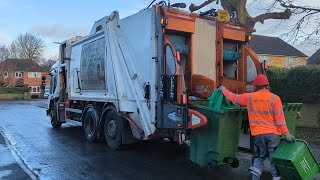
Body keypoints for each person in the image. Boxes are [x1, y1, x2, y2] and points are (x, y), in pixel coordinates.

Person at [218, 74, 295, 180]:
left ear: (255, 86)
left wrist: (223, 90)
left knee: (258, 157)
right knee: (274, 159)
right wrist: (286, 133)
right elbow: (280, 119)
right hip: (274, 136)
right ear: (267, 85)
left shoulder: (250, 97)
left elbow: (234, 98)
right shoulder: (275, 98)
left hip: (258, 135)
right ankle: (276, 178)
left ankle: (255, 178)